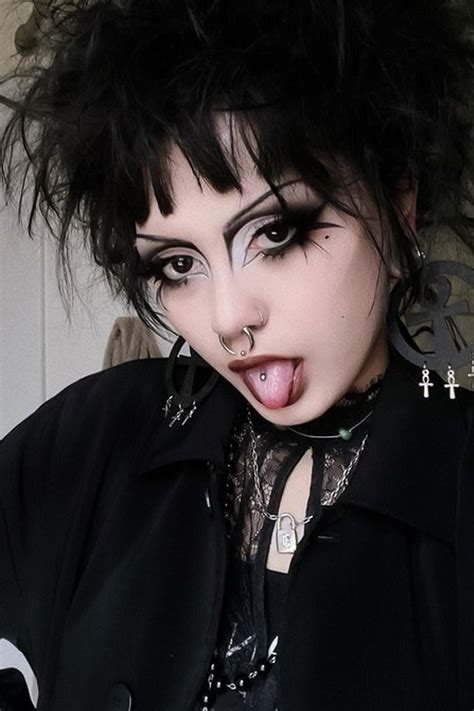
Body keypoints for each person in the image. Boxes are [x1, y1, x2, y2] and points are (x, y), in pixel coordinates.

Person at [0, 1, 473, 709]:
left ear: (398, 203)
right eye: (178, 265)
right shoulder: (98, 432)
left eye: (276, 233)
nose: (227, 320)